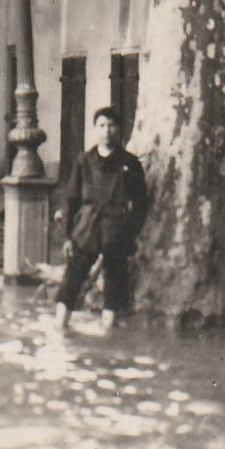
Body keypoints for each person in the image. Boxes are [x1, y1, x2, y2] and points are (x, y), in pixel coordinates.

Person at [54, 106, 148, 331]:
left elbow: (141, 203)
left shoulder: (130, 163)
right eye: (102, 125)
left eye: (111, 125)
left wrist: (131, 232)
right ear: (96, 129)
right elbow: (71, 199)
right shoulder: (84, 162)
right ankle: (60, 326)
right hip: (87, 229)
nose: (107, 131)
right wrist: (68, 235)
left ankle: (108, 333)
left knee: (114, 281)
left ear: (119, 130)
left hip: (116, 230)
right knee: (72, 277)